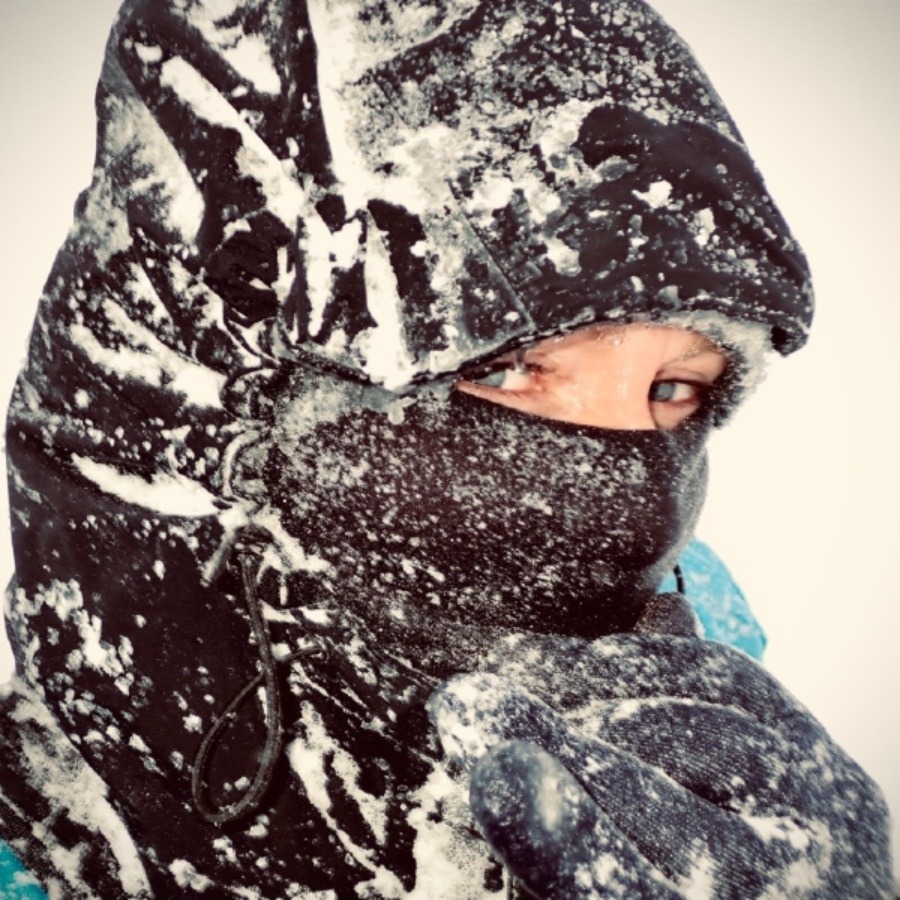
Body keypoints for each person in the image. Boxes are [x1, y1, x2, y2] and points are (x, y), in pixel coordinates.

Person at [0, 0, 891, 897]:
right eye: (506, 368)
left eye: (674, 389)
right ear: (232, 412)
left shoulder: (711, 704)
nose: (620, 491)